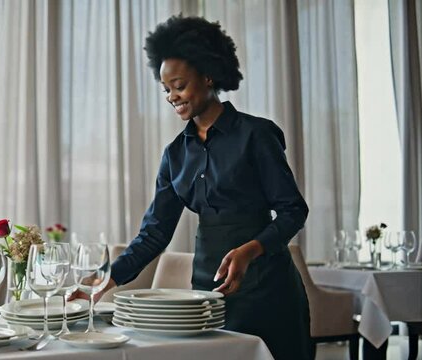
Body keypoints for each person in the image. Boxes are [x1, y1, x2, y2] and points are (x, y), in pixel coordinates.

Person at [72, 15, 313, 360]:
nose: (172, 96)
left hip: (267, 288)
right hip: (204, 296)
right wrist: (103, 281)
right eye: (166, 89)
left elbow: (293, 211)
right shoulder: (174, 154)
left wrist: (250, 251)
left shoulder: (256, 135)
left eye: (179, 85)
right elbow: (154, 233)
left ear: (208, 75)